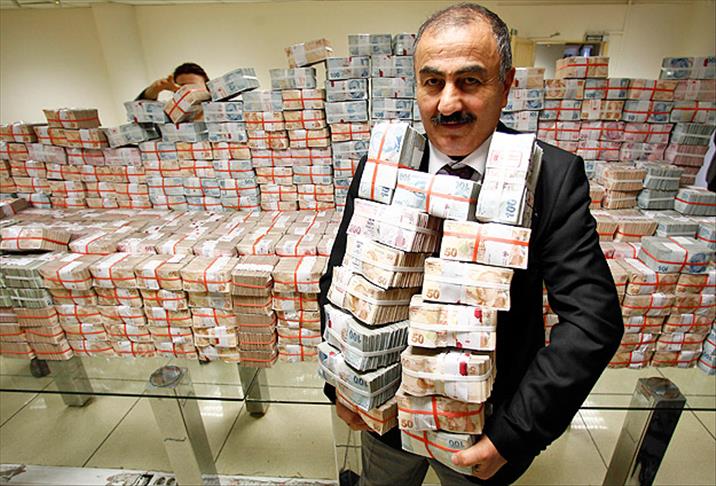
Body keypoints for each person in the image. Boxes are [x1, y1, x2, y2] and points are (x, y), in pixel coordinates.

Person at [318, 3, 624, 485]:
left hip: (485, 429)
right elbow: (338, 277)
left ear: (506, 85)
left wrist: (514, 434)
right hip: (383, 416)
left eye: (470, 81)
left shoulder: (552, 176)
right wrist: (342, 381)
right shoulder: (382, 166)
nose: (448, 104)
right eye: (432, 82)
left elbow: (593, 320)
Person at [135, 62, 209, 101]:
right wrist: (153, 90)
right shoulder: (169, 115)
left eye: (192, 86)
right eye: (181, 87)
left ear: (207, 87)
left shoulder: (215, 107)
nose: (186, 91)